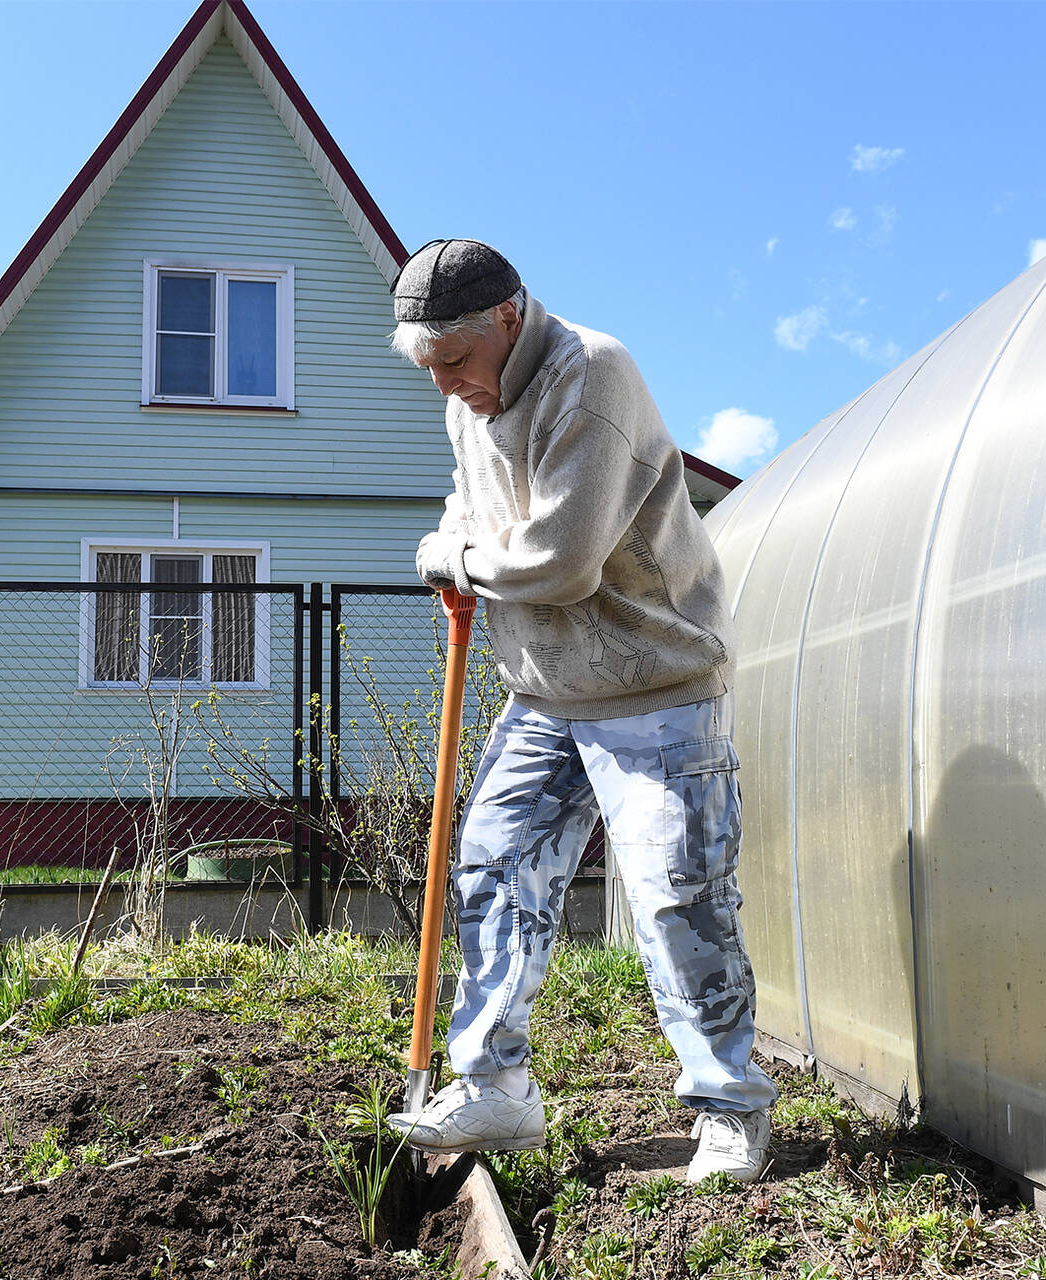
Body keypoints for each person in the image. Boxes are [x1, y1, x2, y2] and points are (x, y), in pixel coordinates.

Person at [384, 239, 776, 1183]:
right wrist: (456, 534)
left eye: (456, 363)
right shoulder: (466, 397)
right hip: (545, 690)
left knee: (678, 894)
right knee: (493, 869)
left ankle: (730, 1106)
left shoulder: (590, 377)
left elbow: (562, 562)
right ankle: (496, 1087)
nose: (448, 388)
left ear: (508, 321)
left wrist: (454, 558)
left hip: (653, 684)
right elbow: (471, 504)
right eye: (430, 369)